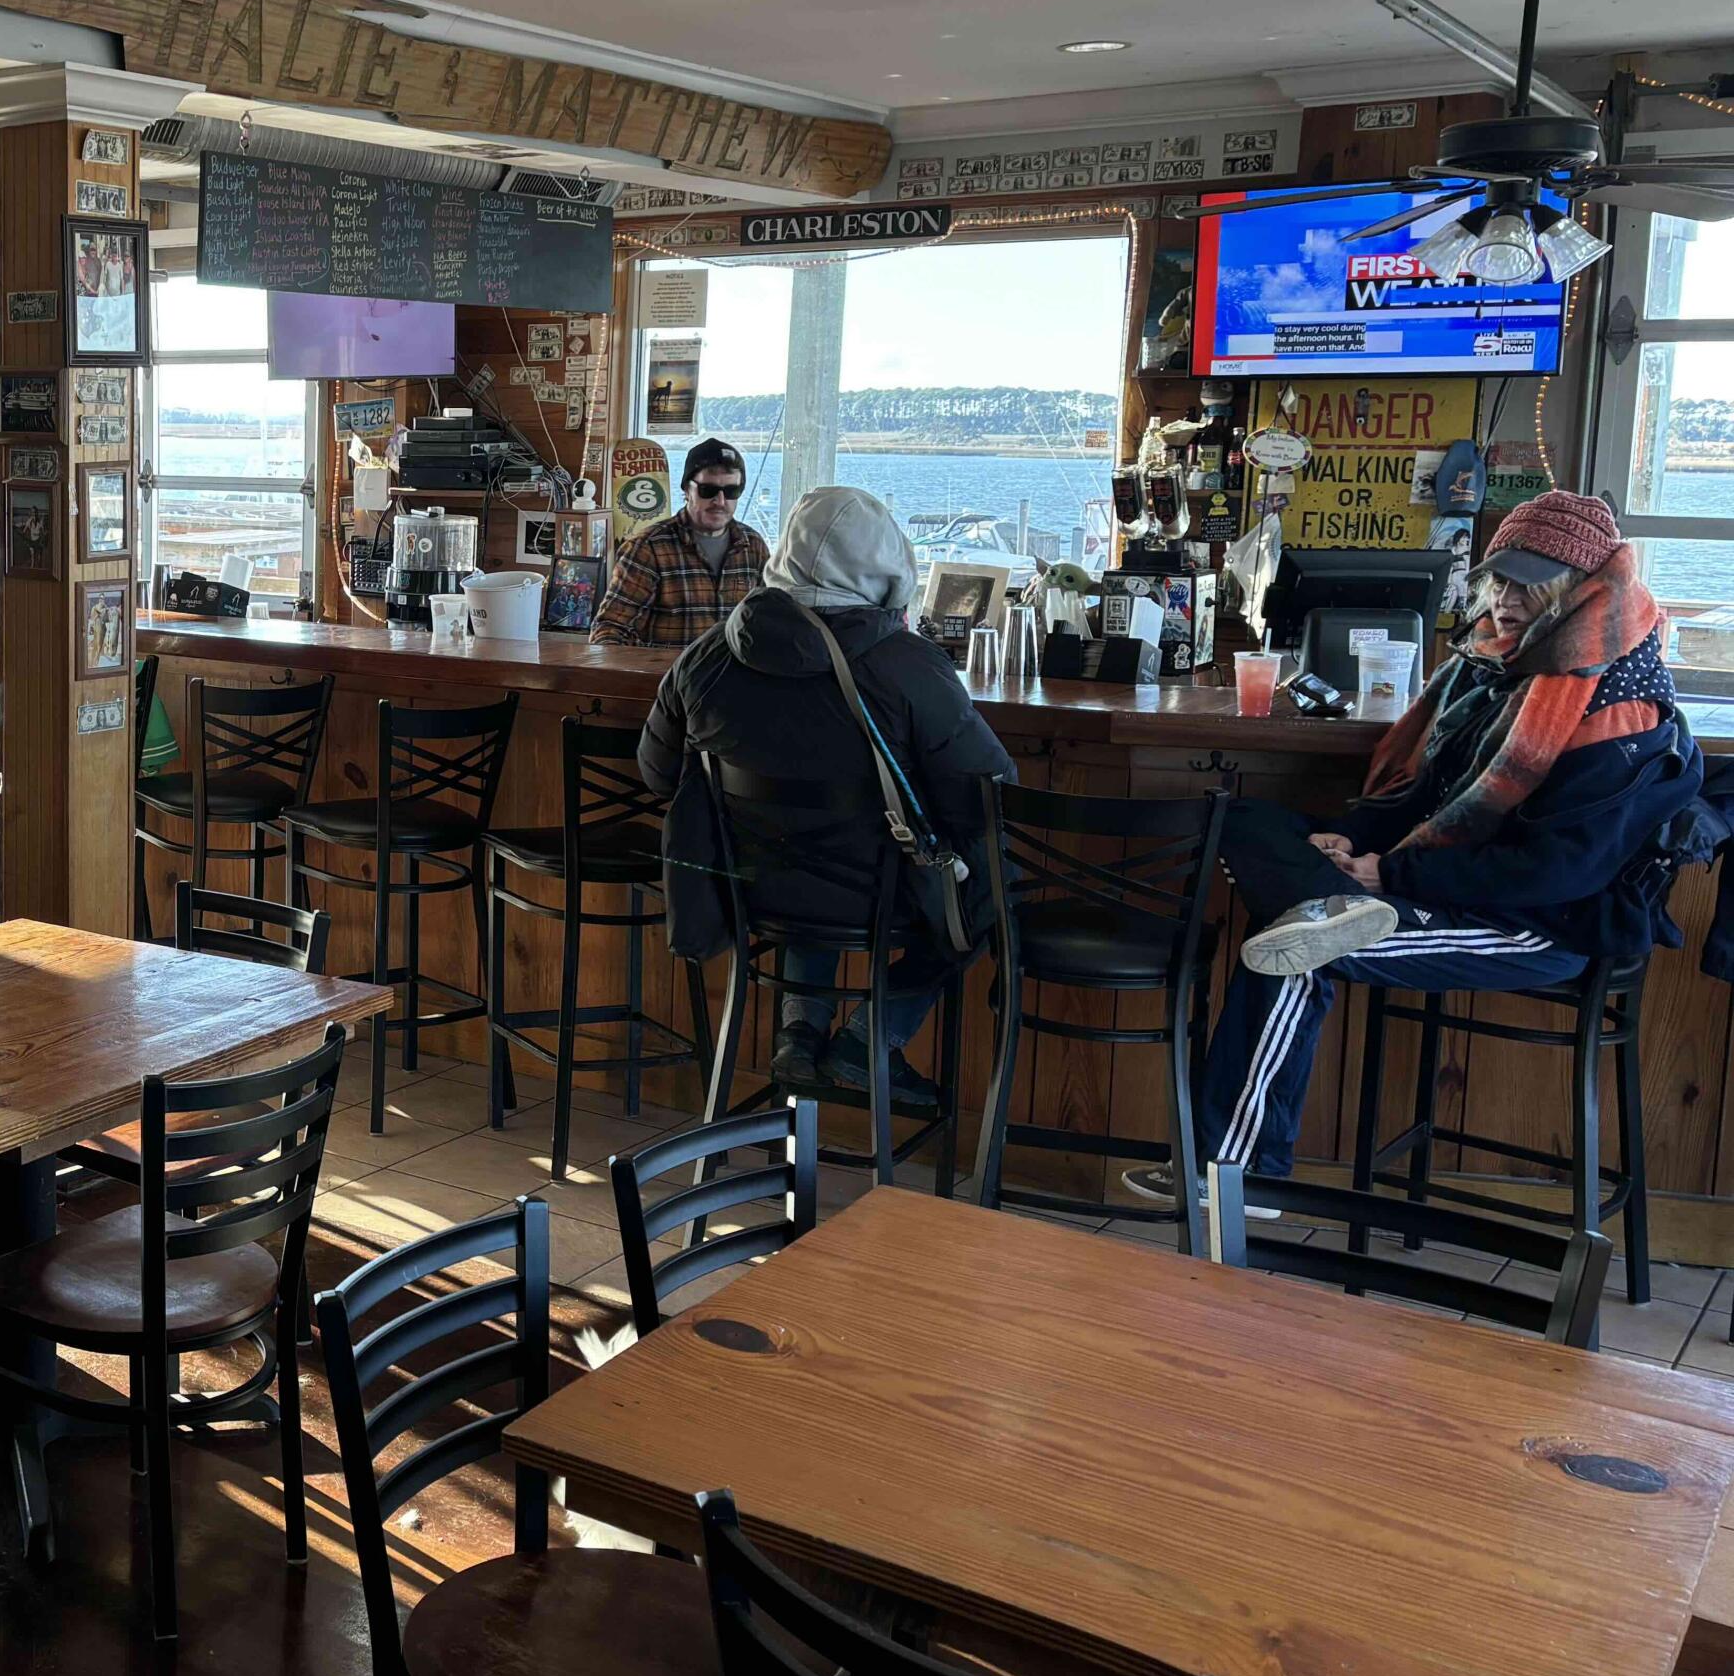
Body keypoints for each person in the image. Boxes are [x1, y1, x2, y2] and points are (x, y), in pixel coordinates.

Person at [1133, 490, 1700, 1207]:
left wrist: (1391, 870)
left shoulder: (1619, 705)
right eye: (1499, 578)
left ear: (1584, 593)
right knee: (1240, 820)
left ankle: (1236, 1179)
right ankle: (1327, 898)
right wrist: (1359, 840)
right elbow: (1426, 793)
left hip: (1542, 923)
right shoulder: (1493, 664)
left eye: (1528, 583)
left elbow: (1556, 871)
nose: (1505, 597)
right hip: (1433, 881)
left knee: (1297, 950)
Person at [641, 485, 1014, 1096]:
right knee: (997, 886)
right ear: (886, 564)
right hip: (876, 896)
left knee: (802, 853)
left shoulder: (707, 655)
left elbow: (657, 774)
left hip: (745, 892)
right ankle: (872, 1037)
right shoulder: (910, 665)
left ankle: (799, 1034)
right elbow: (986, 798)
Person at [591, 437, 770, 648]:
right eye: (708, 490)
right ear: (686, 490)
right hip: (665, 679)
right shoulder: (647, 548)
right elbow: (609, 630)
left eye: (732, 491)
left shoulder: (754, 547)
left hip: (733, 680)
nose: (720, 501)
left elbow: (765, 623)